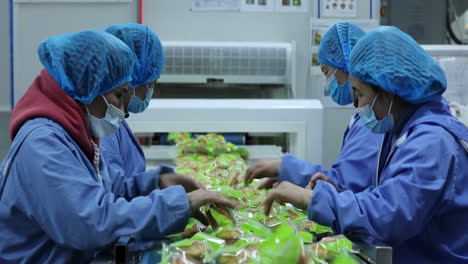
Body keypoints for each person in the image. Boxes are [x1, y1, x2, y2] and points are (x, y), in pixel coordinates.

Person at [0, 30, 235, 263]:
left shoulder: (74, 134)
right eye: (119, 95)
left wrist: (157, 182)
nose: (123, 110)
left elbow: (107, 190)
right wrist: (179, 204)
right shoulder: (44, 144)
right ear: (88, 87)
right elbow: (89, 223)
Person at [263, 26, 468, 263]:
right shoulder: (407, 131)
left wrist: (313, 199)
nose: (356, 105)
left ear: (387, 92)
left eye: (359, 93)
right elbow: (392, 195)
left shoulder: (432, 142)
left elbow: (390, 215)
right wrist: (337, 192)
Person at [245, 22, 381, 192]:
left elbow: (345, 185)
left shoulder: (374, 119)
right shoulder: (364, 114)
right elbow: (341, 179)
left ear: (345, 65)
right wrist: (293, 178)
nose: (327, 83)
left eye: (326, 72)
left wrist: (286, 168)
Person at [100, 23, 178, 200]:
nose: (151, 90)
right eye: (152, 83)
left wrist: (159, 181)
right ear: (132, 81)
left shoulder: (114, 118)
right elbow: (113, 201)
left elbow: (122, 186)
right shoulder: (103, 125)